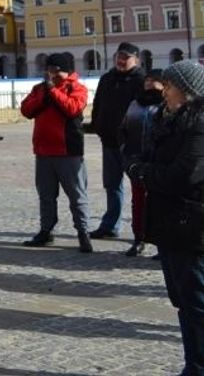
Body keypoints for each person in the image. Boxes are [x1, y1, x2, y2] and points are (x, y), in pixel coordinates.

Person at [127, 60, 204, 376]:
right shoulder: (168, 119)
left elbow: (184, 175)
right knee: (184, 300)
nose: (163, 91)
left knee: (196, 302)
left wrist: (142, 172)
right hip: (170, 223)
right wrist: (139, 166)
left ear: (186, 92)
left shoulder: (199, 124)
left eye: (169, 86)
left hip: (192, 224)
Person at [19, 53, 92, 252]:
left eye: (56, 71)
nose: (52, 75)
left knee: (77, 195)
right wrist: (45, 94)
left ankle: (83, 232)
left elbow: (73, 108)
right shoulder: (39, 89)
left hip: (68, 151)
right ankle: (46, 231)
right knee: (46, 196)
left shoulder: (77, 88)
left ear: (66, 71)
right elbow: (26, 110)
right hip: (43, 151)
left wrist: (54, 92)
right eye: (50, 71)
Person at [89, 42, 145, 241]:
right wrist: (97, 125)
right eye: (119, 56)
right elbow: (97, 104)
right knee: (112, 185)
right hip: (109, 141)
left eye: (126, 57)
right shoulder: (107, 78)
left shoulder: (141, 80)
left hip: (133, 144)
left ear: (136, 59)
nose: (121, 61)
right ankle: (110, 225)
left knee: (140, 188)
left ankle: (143, 230)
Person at [119, 68, 164, 257]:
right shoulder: (135, 104)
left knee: (161, 203)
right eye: (147, 80)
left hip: (160, 163)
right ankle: (139, 239)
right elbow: (124, 128)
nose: (149, 84)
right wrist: (125, 151)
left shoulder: (167, 105)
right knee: (138, 202)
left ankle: (163, 243)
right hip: (136, 160)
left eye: (154, 80)